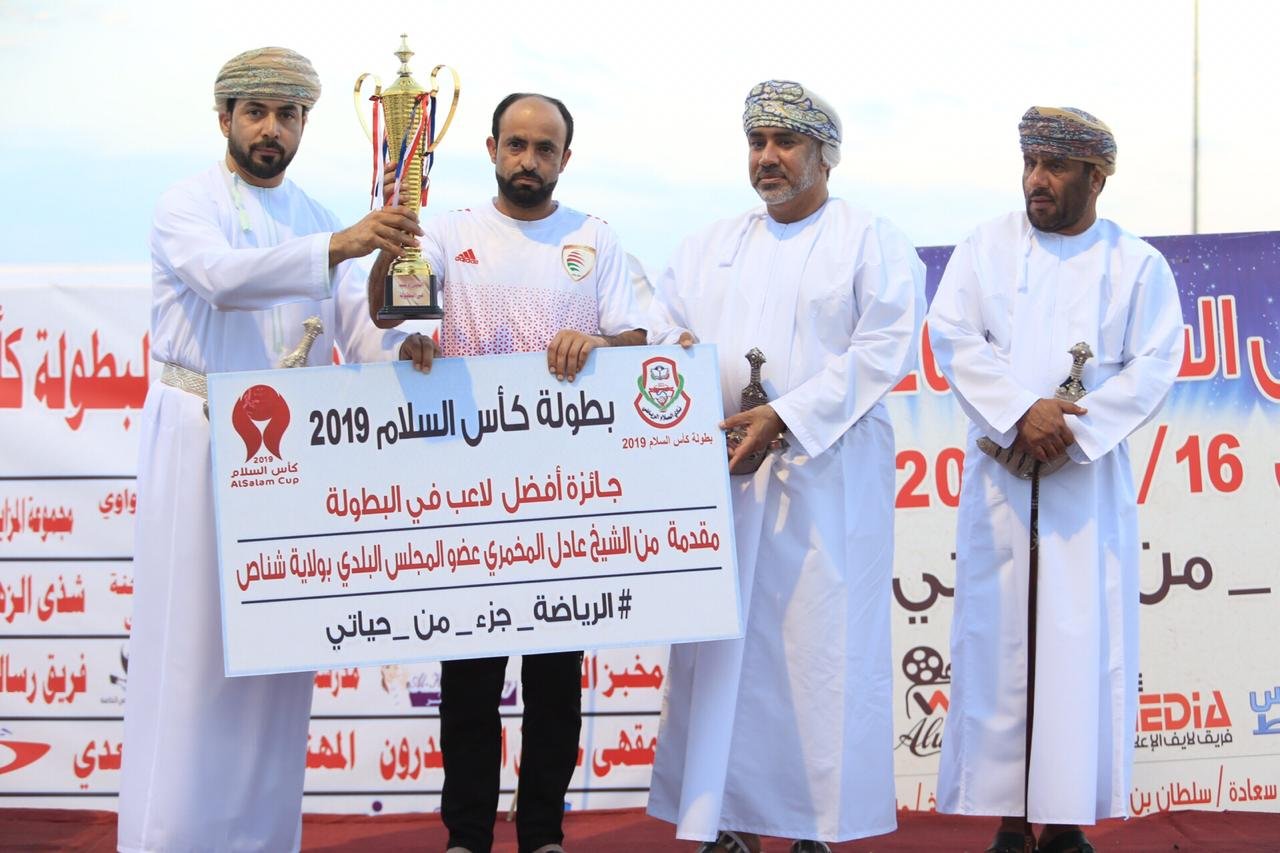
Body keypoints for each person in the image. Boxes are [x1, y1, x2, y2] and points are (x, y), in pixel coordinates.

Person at [118, 47, 422, 852]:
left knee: (276, 659)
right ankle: (170, 838)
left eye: (288, 115)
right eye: (255, 112)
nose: (271, 130)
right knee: (194, 657)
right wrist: (341, 246)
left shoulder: (319, 214)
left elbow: (360, 330)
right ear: (224, 118)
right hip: (200, 437)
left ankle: (258, 838)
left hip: (290, 462)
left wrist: (407, 341)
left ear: (304, 125)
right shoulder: (186, 203)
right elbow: (223, 278)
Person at [644, 80, 926, 853]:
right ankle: (726, 823)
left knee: (816, 653)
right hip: (724, 480)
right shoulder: (707, 246)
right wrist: (683, 370)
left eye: (785, 142)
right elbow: (664, 333)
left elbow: (884, 349)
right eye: (757, 141)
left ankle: (814, 827)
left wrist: (787, 415)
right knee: (723, 656)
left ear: (825, 156)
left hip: (824, 485)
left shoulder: (871, 239)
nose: (767, 156)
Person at [370, 92, 648, 853]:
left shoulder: (594, 237)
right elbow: (392, 314)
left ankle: (543, 833)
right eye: (516, 144)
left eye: (544, 148)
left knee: (556, 680)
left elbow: (638, 338)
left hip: (564, 495)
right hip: (468, 495)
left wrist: (599, 345)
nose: (529, 160)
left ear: (565, 158)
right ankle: (466, 835)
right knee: (469, 680)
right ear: (491, 149)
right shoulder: (445, 231)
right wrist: (404, 294)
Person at [926, 107, 1184, 853]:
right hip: (1001, 474)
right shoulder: (986, 247)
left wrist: (1071, 429)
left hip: (1083, 482)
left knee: (1077, 644)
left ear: (1096, 178)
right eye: (1031, 163)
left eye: (1056, 166)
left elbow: (1157, 363)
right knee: (1001, 644)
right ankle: (1009, 820)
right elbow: (952, 336)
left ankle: (1066, 821)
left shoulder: (1137, 265)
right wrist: (1020, 413)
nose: (1036, 179)